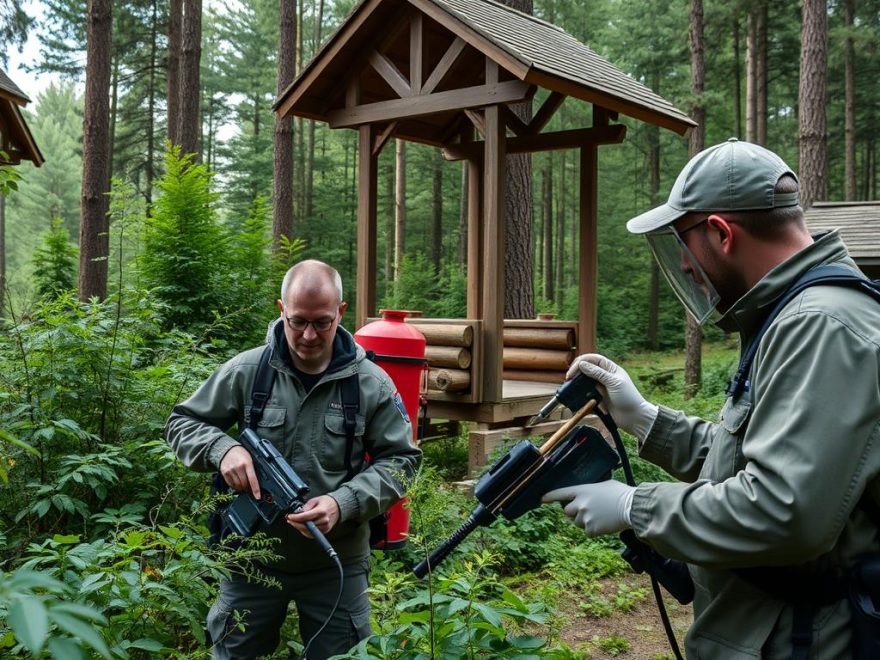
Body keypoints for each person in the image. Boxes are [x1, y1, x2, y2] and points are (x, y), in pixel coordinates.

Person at [543, 139, 880, 658]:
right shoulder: (794, 314)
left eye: (684, 241)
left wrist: (636, 506)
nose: (683, 264)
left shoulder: (818, 325)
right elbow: (754, 457)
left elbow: (783, 511)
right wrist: (646, 420)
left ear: (721, 233)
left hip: (802, 641)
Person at [166, 259, 421, 660]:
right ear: (281, 308)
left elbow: (402, 462)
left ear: (341, 311)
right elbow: (182, 422)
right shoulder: (247, 371)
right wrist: (223, 450)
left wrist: (343, 502)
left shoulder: (371, 383)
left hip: (335, 563)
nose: (307, 335)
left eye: (321, 322)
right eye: (297, 320)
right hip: (250, 560)